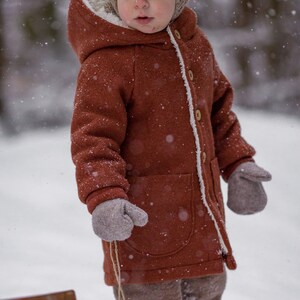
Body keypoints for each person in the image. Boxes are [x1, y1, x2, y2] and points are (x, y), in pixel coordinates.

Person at [68, 0, 272, 299]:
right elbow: (93, 141)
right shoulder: (106, 62)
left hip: (204, 232)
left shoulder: (196, 46)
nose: (141, 3)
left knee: (209, 291)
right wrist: (105, 196)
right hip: (143, 233)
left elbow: (219, 113)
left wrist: (239, 163)